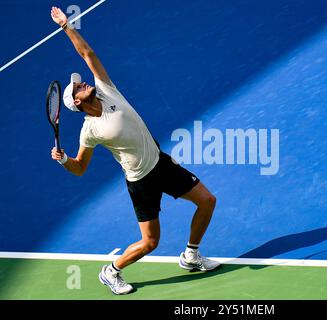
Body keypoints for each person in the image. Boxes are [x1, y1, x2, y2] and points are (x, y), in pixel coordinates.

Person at [50, 7, 220, 295]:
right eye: (78, 86)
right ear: (77, 102)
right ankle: (111, 271)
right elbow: (80, 168)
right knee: (150, 243)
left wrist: (67, 25)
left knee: (207, 201)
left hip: (160, 162)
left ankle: (191, 255)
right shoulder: (89, 131)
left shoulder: (106, 88)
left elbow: (87, 54)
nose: (84, 83)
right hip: (141, 182)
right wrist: (64, 159)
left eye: (80, 81)